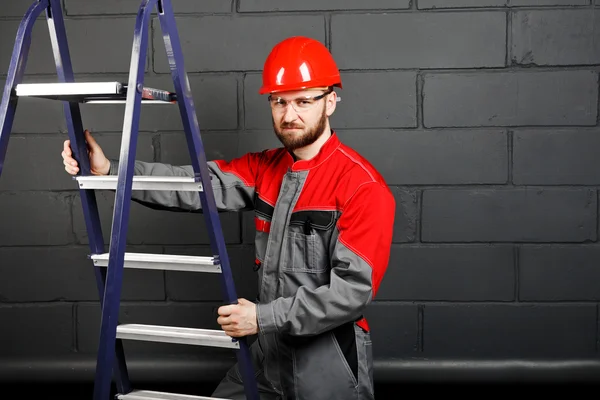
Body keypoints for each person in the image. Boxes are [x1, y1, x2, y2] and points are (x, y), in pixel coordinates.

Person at [61, 36, 395, 400]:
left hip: (327, 367)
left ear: (330, 101)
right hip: (268, 359)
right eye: (279, 101)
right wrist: (111, 171)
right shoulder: (265, 168)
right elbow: (192, 187)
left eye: (303, 101)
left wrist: (261, 318)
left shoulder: (362, 187)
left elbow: (351, 293)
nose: (289, 115)